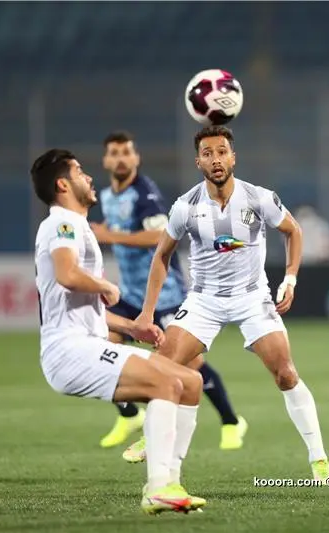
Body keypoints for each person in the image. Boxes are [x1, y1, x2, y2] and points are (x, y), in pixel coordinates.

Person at [129, 125, 329, 483]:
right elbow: (161, 256)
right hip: (204, 301)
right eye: (208, 154)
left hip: (252, 297)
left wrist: (290, 278)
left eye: (222, 151)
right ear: (199, 162)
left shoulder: (259, 198)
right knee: (160, 371)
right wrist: (147, 313)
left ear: (233, 157)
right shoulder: (185, 207)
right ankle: (154, 438)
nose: (216, 159)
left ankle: (319, 459)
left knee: (285, 373)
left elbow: (293, 231)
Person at [31, 148, 206, 514]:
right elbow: (66, 274)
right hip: (69, 352)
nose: (89, 177)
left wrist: (131, 326)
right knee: (165, 384)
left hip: (84, 342)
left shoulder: (73, 225)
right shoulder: (61, 223)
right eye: (79, 172)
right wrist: (106, 288)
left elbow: (81, 308)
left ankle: (170, 482)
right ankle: (158, 487)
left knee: (189, 382)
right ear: (63, 184)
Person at [89, 130, 247, 453]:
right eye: (114, 153)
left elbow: (157, 236)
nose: (120, 158)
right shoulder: (106, 195)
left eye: (126, 152)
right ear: (106, 160)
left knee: (191, 364)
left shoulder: (144, 194)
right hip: (132, 294)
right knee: (96, 343)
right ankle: (129, 413)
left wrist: (111, 236)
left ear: (136, 158)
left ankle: (231, 421)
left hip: (167, 295)